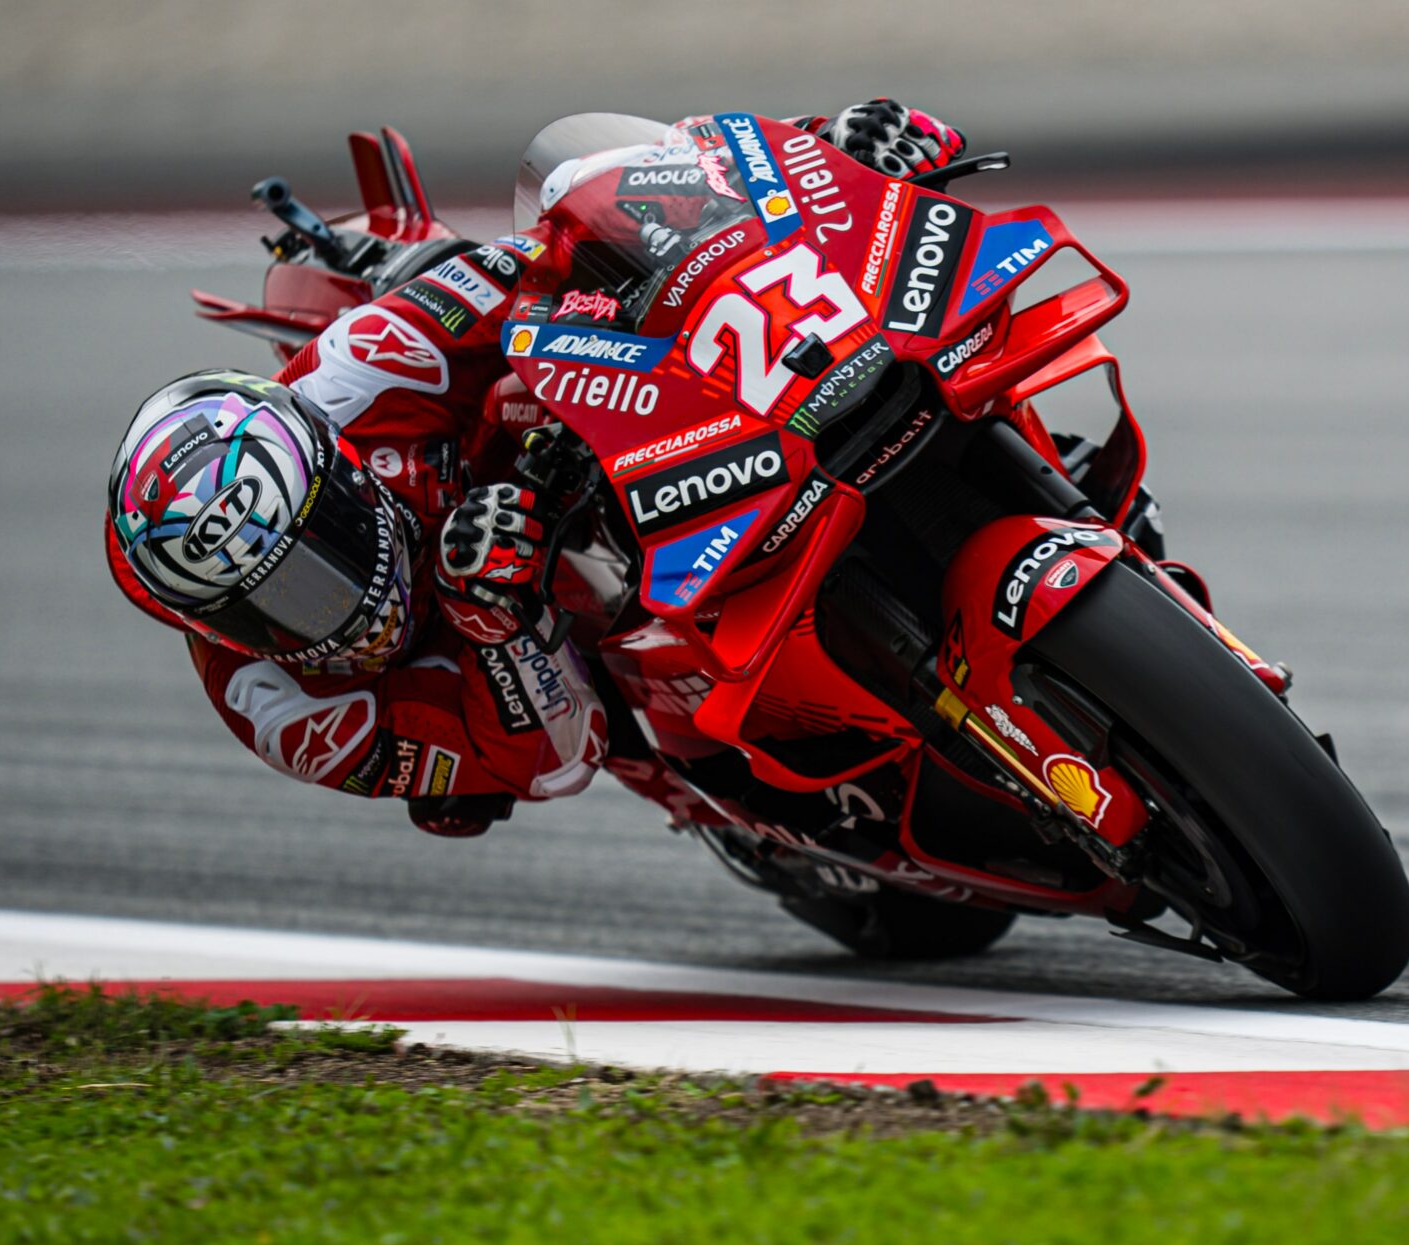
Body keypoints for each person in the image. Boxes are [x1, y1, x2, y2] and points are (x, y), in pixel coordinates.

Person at [104, 102, 967, 838]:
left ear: (335, 466)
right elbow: (555, 766)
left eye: (321, 548)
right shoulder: (282, 712)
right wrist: (497, 625)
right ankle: (788, 826)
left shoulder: (358, 369)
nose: (336, 600)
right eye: (276, 606)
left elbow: (567, 241)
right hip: (534, 651)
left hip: (598, 451)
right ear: (216, 629)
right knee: (697, 755)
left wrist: (825, 164)